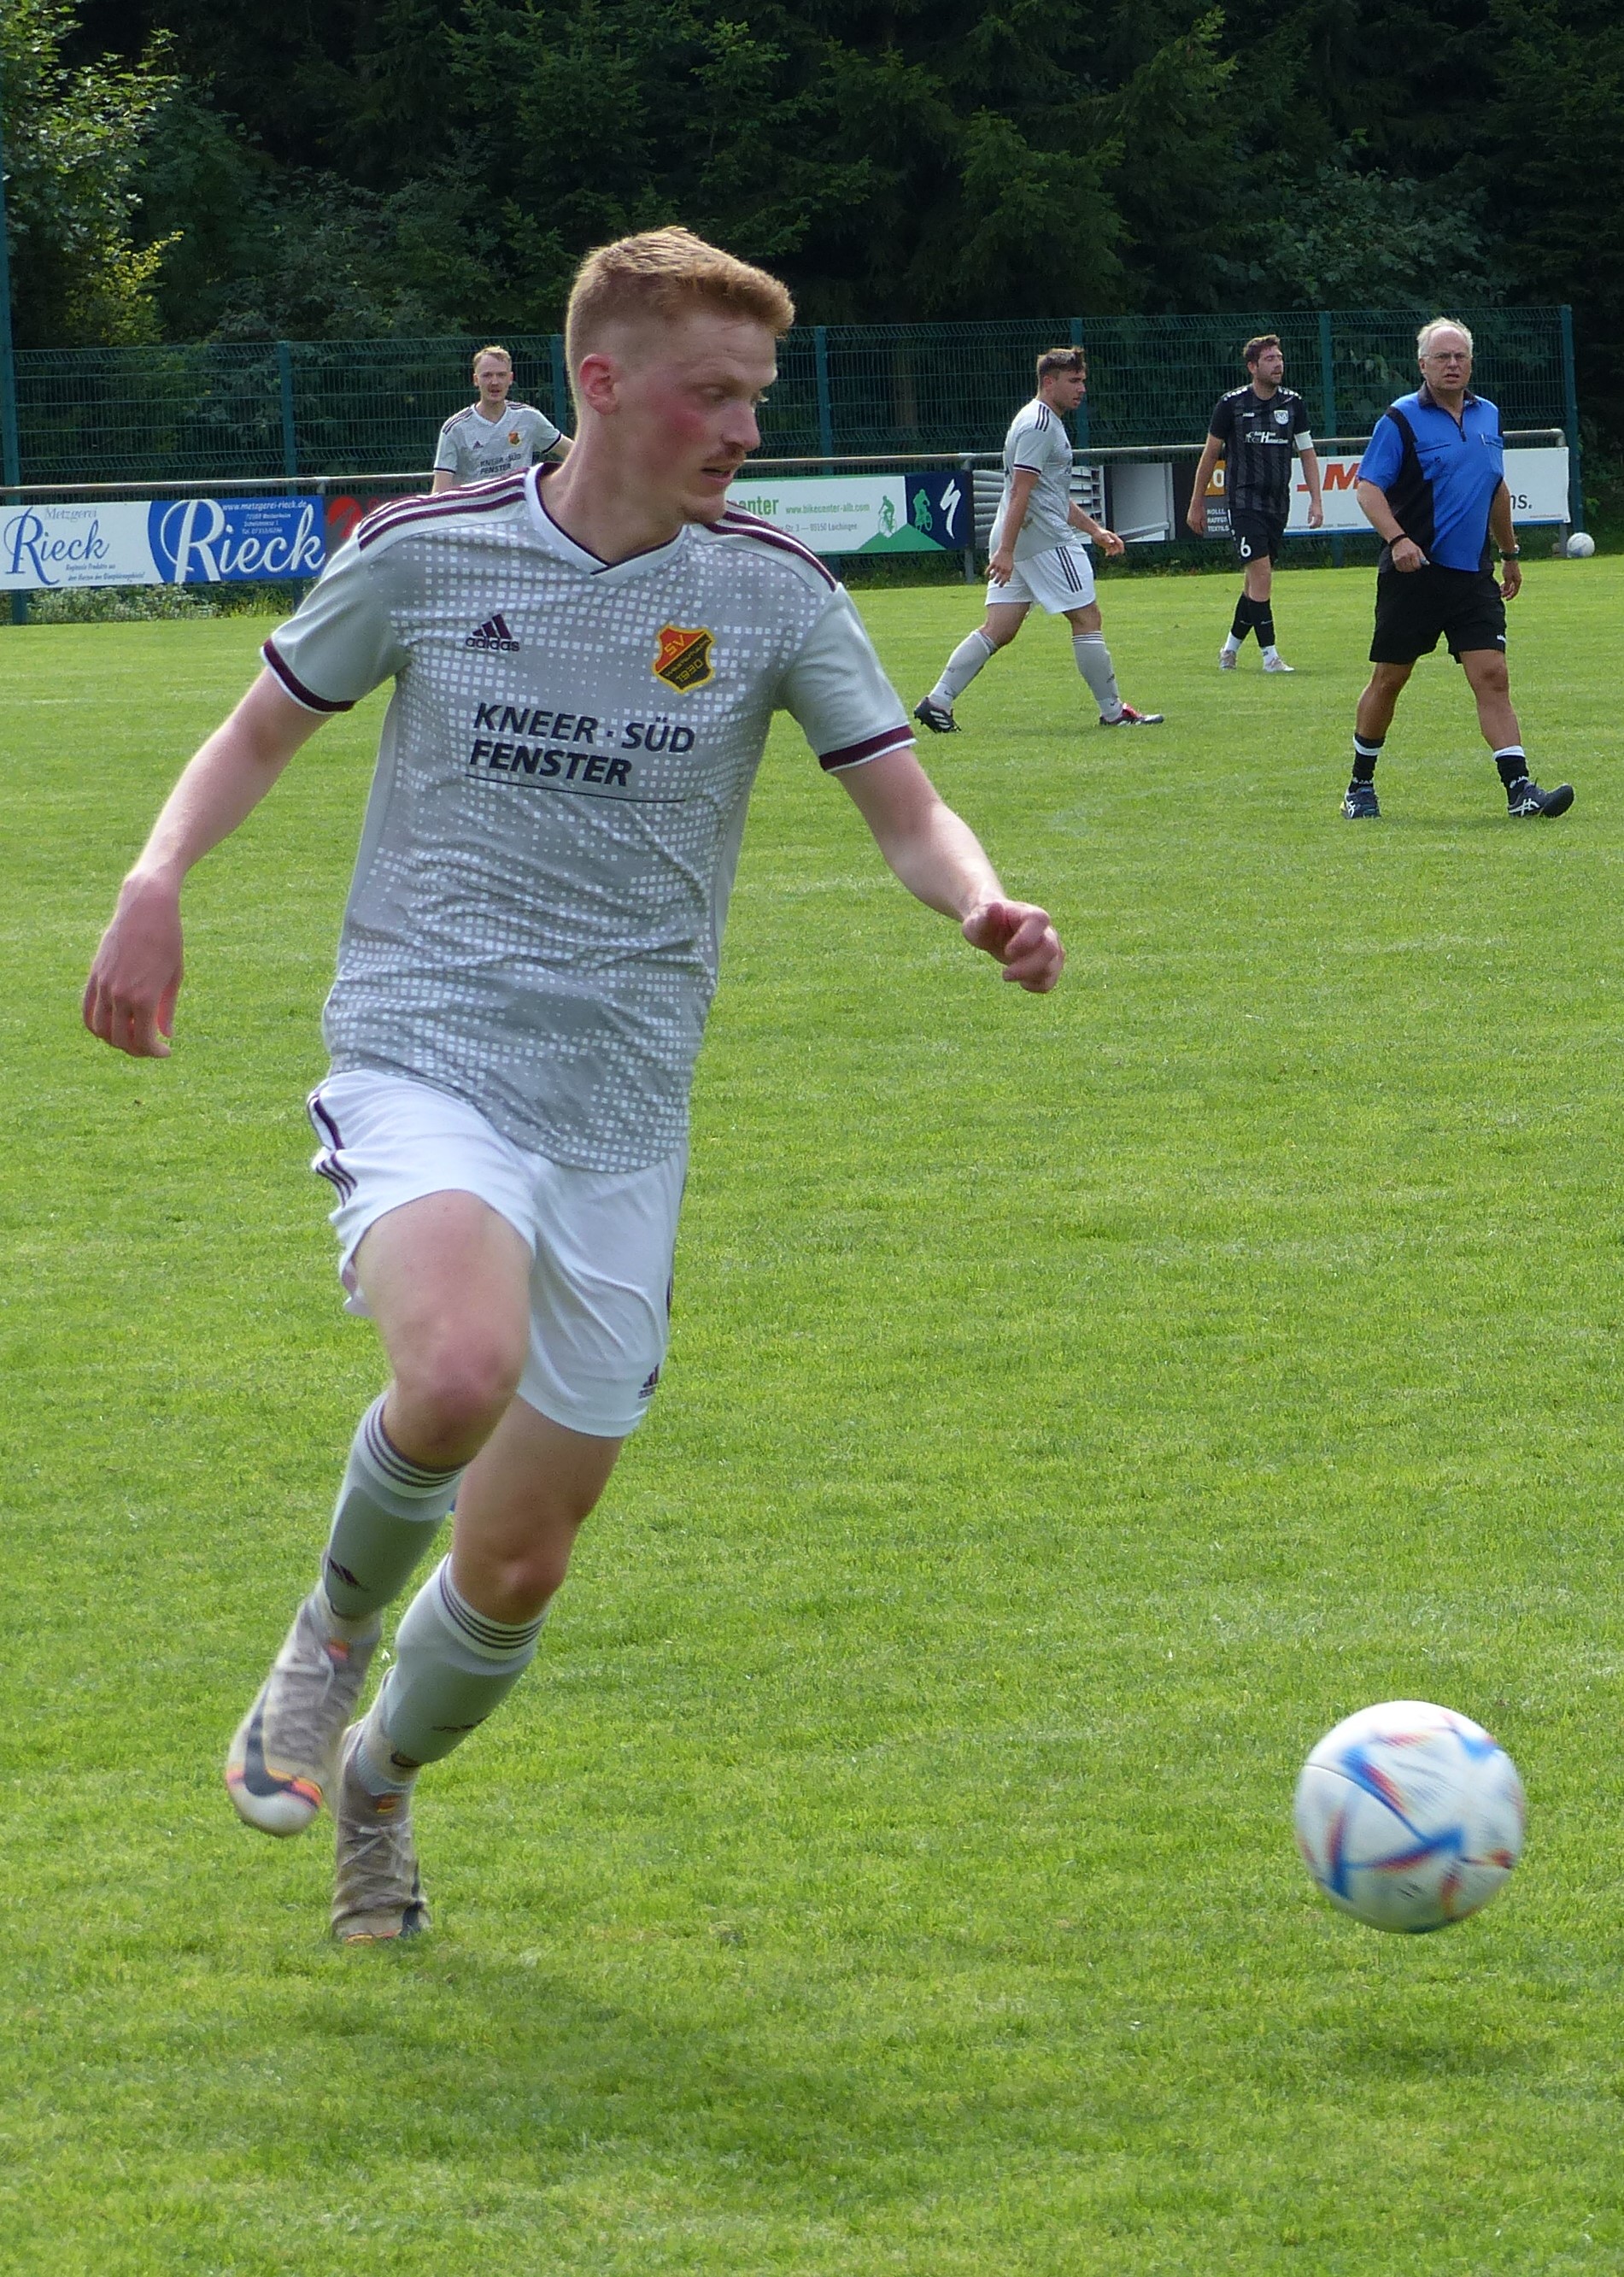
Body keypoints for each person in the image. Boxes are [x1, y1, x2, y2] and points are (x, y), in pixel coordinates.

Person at [82, 227, 1064, 1945]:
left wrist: (979, 902)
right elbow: (256, 732)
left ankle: (379, 1782)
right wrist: (157, 879)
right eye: (713, 394)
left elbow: (907, 811)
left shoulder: (771, 594)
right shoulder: (425, 553)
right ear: (599, 385)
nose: (743, 430)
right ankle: (326, 1639)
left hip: (619, 1117)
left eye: (755, 398)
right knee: (458, 1368)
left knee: (518, 1566)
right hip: (428, 1053)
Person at [1341, 318, 1572, 821]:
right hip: (1414, 573)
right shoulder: (1400, 418)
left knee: (1492, 675)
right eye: (1442, 357)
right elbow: (1368, 488)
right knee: (1390, 679)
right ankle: (1359, 786)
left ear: (1470, 363)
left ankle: (1520, 791)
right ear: (1422, 364)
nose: (1452, 364)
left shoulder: (1489, 415)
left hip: (1473, 577)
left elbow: (1496, 488)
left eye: (1460, 356)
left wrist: (1509, 553)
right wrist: (1398, 540)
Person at [914, 347, 1162, 734]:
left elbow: (1048, 493)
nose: (1081, 389)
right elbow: (1021, 492)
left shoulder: (1040, 420)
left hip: (1022, 537)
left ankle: (937, 702)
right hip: (1043, 541)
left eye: (1083, 380)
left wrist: (1093, 530)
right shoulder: (1039, 425)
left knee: (1000, 627)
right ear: (1049, 382)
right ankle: (1114, 712)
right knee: (1087, 618)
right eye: (1073, 381)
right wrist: (1006, 551)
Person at [1187, 334, 1323, 672]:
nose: (1278, 364)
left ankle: (1229, 650)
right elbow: (1210, 454)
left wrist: (1316, 500)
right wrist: (1196, 503)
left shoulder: (1293, 404)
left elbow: (1307, 453)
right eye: (1270, 359)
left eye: (1280, 358)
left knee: (1254, 583)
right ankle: (1270, 656)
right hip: (1244, 502)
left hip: (1278, 503)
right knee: (1261, 576)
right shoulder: (1231, 405)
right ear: (1252, 367)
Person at [431, 345, 572, 491]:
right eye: (487, 375)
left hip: (519, 505)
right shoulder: (455, 429)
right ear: (476, 380)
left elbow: (575, 453)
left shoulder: (529, 418)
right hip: (475, 506)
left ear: (510, 379)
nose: (495, 382)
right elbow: (439, 493)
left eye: (501, 375)